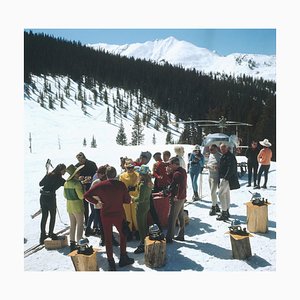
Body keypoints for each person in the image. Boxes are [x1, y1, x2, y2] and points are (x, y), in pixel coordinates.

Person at [84, 166, 134, 271]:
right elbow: (127, 200)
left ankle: (111, 262)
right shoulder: (121, 185)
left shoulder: (101, 185)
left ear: (106, 174)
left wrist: (97, 202)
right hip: (119, 214)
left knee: (108, 238)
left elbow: (86, 195)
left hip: (105, 214)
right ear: (115, 174)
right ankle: (123, 257)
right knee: (123, 234)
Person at [87, 164, 119, 247]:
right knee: (101, 223)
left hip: (109, 206)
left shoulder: (110, 182)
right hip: (99, 206)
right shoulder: (96, 182)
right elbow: (90, 194)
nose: (97, 175)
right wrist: (96, 201)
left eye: (99, 173)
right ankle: (103, 238)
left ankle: (111, 238)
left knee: (109, 223)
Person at [39, 163, 66, 244]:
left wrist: (46, 176)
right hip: (51, 198)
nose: (64, 172)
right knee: (52, 216)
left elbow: (40, 184)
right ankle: (51, 233)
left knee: (44, 216)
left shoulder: (49, 174)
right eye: (64, 170)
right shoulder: (59, 179)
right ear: (61, 170)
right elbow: (67, 184)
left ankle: (42, 235)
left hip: (43, 197)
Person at [165, 156, 187, 243]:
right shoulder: (181, 171)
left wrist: (177, 196)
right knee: (180, 216)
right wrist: (169, 173)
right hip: (181, 197)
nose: (169, 165)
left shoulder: (177, 173)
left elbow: (179, 186)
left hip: (177, 198)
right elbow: (174, 182)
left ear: (174, 164)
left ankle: (169, 237)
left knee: (171, 217)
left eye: (170, 164)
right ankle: (181, 235)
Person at [64, 164, 85, 251]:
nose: (79, 173)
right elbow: (81, 196)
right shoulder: (77, 184)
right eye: (77, 172)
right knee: (80, 225)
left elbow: (65, 195)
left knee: (72, 225)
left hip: (69, 206)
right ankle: (80, 245)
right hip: (77, 206)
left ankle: (72, 243)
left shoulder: (66, 183)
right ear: (74, 174)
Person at [132, 165, 153, 254]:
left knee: (141, 226)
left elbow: (141, 199)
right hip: (147, 205)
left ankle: (142, 243)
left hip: (141, 207)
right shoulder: (149, 182)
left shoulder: (143, 185)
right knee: (144, 224)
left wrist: (132, 198)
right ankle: (145, 240)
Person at [217, 143, 240, 221]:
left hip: (226, 179)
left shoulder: (230, 156)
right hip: (224, 178)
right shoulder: (225, 155)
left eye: (223, 148)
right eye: (221, 149)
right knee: (226, 195)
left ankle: (224, 212)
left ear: (227, 148)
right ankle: (226, 211)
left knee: (220, 195)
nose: (222, 150)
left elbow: (231, 168)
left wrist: (225, 178)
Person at [119, 159, 140, 241]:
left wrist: (134, 188)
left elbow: (139, 186)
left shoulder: (138, 175)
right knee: (127, 216)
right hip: (126, 198)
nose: (130, 169)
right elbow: (120, 187)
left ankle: (138, 232)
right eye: (128, 167)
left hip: (135, 198)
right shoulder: (122, 176)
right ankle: (129, 232)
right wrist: (126, 189)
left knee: (135, 216)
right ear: (125, 167)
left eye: (132, 167)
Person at [75, 152, 98, 226]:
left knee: (93, 206)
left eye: (81, 160)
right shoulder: (77, 166)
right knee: (85, 207)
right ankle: (87, 222)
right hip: (82, 188)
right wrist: (80, 179)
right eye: (78, 160)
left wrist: (90, 178)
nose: (80, 161)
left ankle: (95, 223)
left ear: (84, 158)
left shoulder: (91, 164)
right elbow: (75, 176)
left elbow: (96, 174)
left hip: (92, 187)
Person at [205, 144, 221, 216]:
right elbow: (208, 163)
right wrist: (207, 166)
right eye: (209, 149)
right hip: (210, 175)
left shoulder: (219, 156)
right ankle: (216, 204)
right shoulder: (211, 155)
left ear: (216, 149)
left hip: (216, 176)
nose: (210, 151)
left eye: (212, 149)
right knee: (212, 192)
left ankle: (213, 206)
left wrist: (217, 167)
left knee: (213, 192)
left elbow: (221, 166)